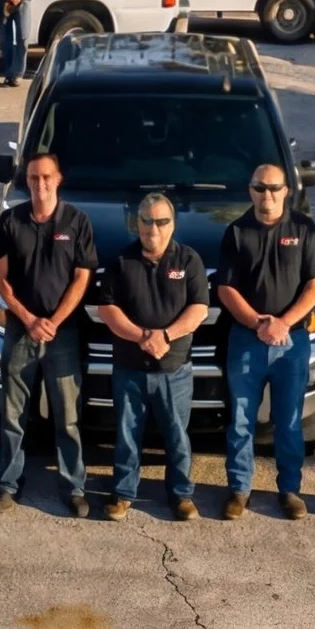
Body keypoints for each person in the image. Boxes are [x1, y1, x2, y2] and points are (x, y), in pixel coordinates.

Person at [215, 163, 315, 521]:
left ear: (286, 191)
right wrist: (258, 323)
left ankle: (290, 490)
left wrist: (283, 323)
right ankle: (239, 489)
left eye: (274, 188)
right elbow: (226, 288)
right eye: (260, 188)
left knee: (290, 420)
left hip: (291, 342)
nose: (267, 195)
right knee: (241, 420)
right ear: (250, 191)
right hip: (246, 340)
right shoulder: (236, 232)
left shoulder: (304, 229)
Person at [0, 152, 96, 515]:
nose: (40, 183)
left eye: (47, 176)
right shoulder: (9, 222)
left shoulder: (77, 222)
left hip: (62, 333)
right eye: (34, 177)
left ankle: (73, 486)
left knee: (68, 414)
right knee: (13, 412)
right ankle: (7, 484)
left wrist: (54, 320)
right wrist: (29, 318)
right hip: (21, 330)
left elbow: (83, 277)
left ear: (58, 178)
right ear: (27, 180)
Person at [97, 192, 209, 521]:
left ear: (172, 224)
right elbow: (107, 309)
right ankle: (123, 493)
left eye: (161, 221)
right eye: (147, 221)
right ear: (137, 223)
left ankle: (181, 495)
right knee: (127, 433)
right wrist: (143, 336)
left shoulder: (189, 261)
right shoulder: (120, 262)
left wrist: (165, 336)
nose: (153, 228)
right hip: (129, 367)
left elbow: (199, 309)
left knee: (177, 435)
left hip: (174, 368)